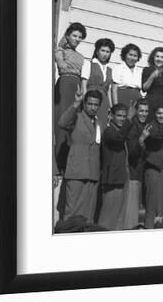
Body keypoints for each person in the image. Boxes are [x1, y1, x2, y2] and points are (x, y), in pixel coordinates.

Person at [57, 88, 102, 225]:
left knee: (88, 215)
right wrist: (76, 103)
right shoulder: (77, 117)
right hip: (77, 171)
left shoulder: (98, 123)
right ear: (85, 103)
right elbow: (62, 123)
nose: (93, 107)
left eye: (96, 104)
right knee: (72, 214)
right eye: (90, 104)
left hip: (92, 174)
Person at [54, 22, 87, 172]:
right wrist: (60, 60)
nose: (77, 39)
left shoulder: (81, 56)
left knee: (73, 123)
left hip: (77, 87)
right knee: (62, 121)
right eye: (74, 35)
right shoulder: (60, 51)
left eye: (80, 37)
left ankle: (70, 162)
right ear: (67, 36)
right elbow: (60, 64)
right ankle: (59, 163)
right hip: (65, 84)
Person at [139, 101, 163, 229]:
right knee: (151, 206)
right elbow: (158, 137)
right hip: (153, 168)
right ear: (154, 114)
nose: (162, 116)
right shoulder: (151, 126)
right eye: (159, 113)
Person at [97, 103, 133, 230]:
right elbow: (118, 139)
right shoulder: (109, 131)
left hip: (122, 176)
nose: (122, 119)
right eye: (119, 116)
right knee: (108, 215)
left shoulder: (121, 131)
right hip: (112, 178)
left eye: (124, 116)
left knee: (119, 215)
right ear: (111, 116)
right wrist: (129, 120)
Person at [125, 98, 150, 229]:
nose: (143, 114)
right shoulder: (133, 126)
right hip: (134, 173)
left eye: (146, 111)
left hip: (143, 173)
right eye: (141, 111)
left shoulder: (146, 125)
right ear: (136, 111)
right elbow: (132, 153)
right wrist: (141, 141)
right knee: (132, 214)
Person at [81, 38, 115, 128]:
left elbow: (108, 91)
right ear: (97, 51)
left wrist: (111, 108)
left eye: (107, 52)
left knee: (101, 126)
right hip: (91, 100)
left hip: (103, 102)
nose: (105, 54)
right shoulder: (89, 64)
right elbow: (84, 85)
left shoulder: (109, 69)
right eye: (102, 50)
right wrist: (84, 103)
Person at [141, 47, 163, 114]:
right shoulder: (147, 70)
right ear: (153, 58)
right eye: (157, 56)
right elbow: (144, 88)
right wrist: (152, 76)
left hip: (162, 102)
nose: (159, 59)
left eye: (162, 57)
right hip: (150, 101)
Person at [111, 43, 142, 107]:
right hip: (122, 98)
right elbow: (114, 90)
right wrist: (116, 106)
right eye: (130, 55)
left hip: (136, 101)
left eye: (135, 56)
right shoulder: (118, 68)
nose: (132, 58)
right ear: (125, 55)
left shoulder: (139, 71)